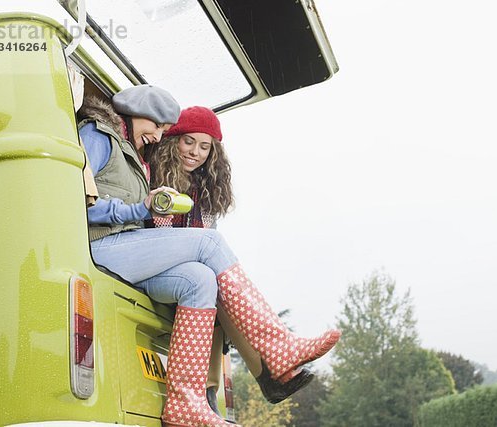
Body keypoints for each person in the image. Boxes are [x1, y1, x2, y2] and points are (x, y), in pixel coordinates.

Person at [79, 86, 340, 427]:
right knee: (210, 244)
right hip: (99, 246)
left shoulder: (132, 153)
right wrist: (138, 207)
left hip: (127, 247)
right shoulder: (98, 137)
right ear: (134, 112)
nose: (159, 136)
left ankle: (186, 402)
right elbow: (77, 196)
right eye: (157, 127)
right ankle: (279, 345)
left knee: (199, 280)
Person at [146, 106, 315, 410]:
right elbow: (162, 236)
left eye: (204, 147)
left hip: (191, 273)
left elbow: (205, 234)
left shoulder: (205, 189)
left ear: (213, 153)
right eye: (189, 142)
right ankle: (266, 373)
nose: (195, 152)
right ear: (174, 140)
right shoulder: (154, 174)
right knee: (212, 278)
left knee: (215, 283)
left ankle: (220, 390)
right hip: (156, 265)